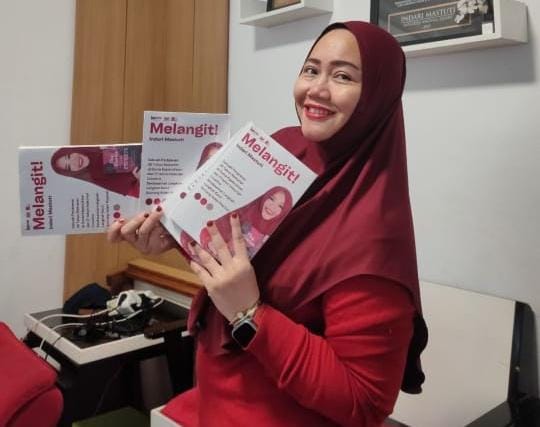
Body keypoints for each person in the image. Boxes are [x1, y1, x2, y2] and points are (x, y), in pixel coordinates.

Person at [108, 21, 428, 427]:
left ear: (378, 96)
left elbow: (363, 402)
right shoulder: (286, 148)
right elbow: (244, 250)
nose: (316, 89)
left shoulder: (374, 236)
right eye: (311, 69)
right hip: (215, 400)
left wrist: (248, 313)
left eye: (343, 76)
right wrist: (174, 237)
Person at [199, 186, 293, 259]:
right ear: (265, 197)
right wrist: (210, 243)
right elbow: (207, 231)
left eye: (281, 206)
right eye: (272, 199)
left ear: (284, 212)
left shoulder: (276, 238)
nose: (272, 206)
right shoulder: (244, 213)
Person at [51, 146, 140, 197]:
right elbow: (136, 193)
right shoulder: (96, 178)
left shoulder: (100, 146)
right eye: (69, 167)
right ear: (73, 172)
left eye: (69, 156)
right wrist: (140, 179)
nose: (74, 161)